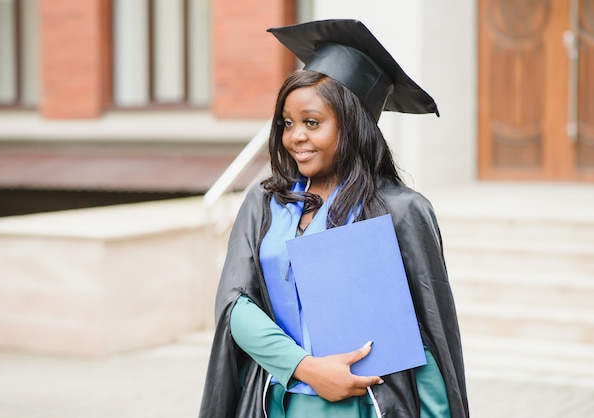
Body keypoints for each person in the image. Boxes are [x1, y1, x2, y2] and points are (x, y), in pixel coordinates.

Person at [198, 19, 469, 418]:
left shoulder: (398, 210)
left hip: (366, 406)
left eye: (312, 122)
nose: (295, 137)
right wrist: (305, 368)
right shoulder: (265, 202)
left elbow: (426, 336)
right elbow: (236, 304)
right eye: (287, 123)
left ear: (353, 124)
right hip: (276, 401)